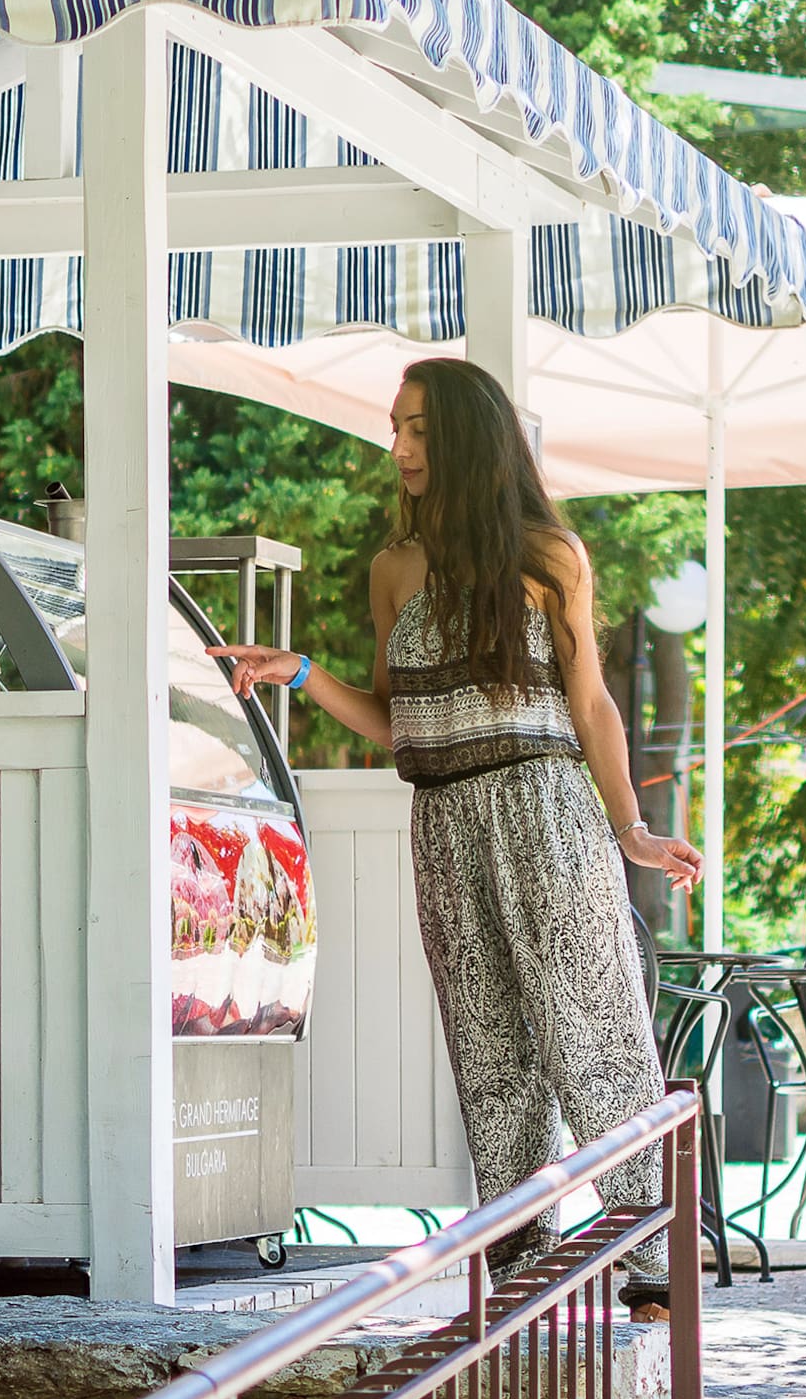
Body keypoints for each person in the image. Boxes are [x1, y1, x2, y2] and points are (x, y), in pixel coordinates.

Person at [210, 357, 704, 1309]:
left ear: (469, 437)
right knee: (487, 1056)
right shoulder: (391, 570)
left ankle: (652, 1266)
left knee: (592, 1035)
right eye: (395, 427)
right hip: (441, 820)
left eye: (420, 430)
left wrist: (631, 830)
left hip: (545, 809)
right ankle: (525, 1274)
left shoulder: (548, 556)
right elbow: (401, 721)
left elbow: (590, 701)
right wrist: (301, 671)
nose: (398, 447)